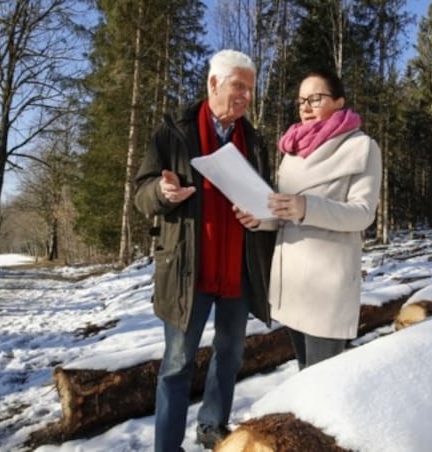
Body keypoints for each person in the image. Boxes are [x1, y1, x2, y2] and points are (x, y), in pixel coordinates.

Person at [133, 49, 275, 452]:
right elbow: (141, 193)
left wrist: (260, 217)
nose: (247, 96)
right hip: (186, 270)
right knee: (177, 364)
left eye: (251, 88)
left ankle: (212, 425)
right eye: (239, 86)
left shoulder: (255, 140)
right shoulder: (172, 130)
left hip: (238, 269)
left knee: (229, 357)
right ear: (213, 83)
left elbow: (267, 200)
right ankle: (166, 445)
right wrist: (162, 192)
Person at [237, 68, 382, 370]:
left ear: (339, 102)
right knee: (304, 375)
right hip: (291, 280)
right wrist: (260, 219)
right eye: (301, 100)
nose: (305, 107)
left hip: (326, 284)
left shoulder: (361, 147)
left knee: (323, 384)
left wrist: (307, 208)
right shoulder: (293, 151)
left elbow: (363, 214)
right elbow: (286, 213)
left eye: (315, 99)